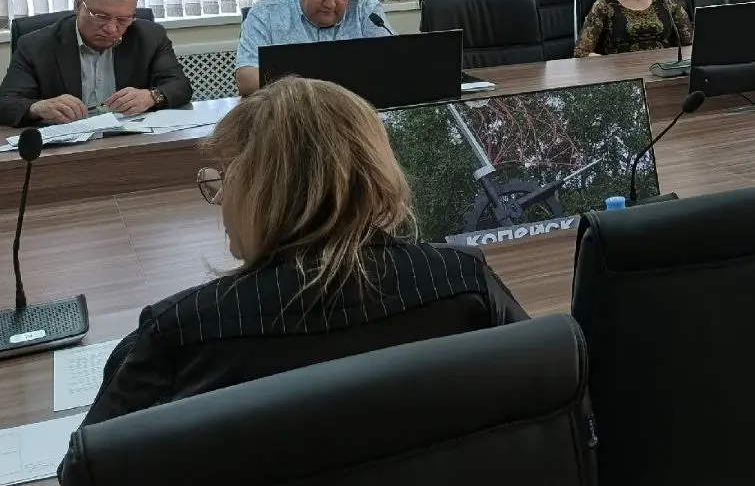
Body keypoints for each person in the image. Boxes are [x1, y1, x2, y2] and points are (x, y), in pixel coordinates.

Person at [84, 76, 526, 425]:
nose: (220, 199)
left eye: (225, 177)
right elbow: (545, 394)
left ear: (259, 193)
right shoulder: (465, 282)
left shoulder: (178, 333)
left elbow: (89, 480)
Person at [0, 0, 192, 127]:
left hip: (130, 140)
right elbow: (1, 106)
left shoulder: (149, 36)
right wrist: (37, 108)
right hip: (67, 148)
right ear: (79, 6)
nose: (112, 29)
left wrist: (151, 96)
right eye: (101, 17)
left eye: (123, 19)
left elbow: (180, 86)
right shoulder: (36, 45)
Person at [236, 0, 391, 96]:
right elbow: (247, 80)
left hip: (356, 107)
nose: (330, 4)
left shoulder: (365, 8)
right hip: (288, 108)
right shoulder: (266, 13)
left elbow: (389, 65)